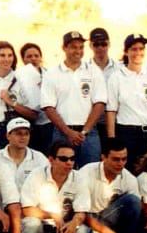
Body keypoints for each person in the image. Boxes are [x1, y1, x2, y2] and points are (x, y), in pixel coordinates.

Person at [20, 141, 104, 233]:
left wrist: (74, 223)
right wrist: (52, 215)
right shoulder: (37, 175)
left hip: (64, 226)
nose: (69, 163)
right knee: (31, 224)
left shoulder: (79, 178)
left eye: (72, 158)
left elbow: (81, 211)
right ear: (51, 160)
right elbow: (26, 209)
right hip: (42, 227)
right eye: (63, 159)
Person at [42, 31, 108, 167]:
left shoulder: (93, 71)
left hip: (88, 133)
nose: (78, 51)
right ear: (64, 48)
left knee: (91, 172)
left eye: (81, 47)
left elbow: (100, 103)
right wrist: (68, 132)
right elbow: (48, 107)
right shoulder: (52, 74)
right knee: (61, 171)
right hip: (62, 133)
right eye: (73, 47)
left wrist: (84, 131)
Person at [105, 34, 147, 168]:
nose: (138, 52)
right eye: (134, 49)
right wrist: (111, 140)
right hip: (126, 133)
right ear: (126, 52)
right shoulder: (116, 78)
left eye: (141, 49)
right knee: (127, 171)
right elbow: (111, 112)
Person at [77, 138, 143, 233]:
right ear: (103, 157)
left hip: (109, 217)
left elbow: (134, 212)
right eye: (115, 159)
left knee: (133, 201)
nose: (120, 164)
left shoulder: (129, 178)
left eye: (124, 159)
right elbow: (80, 211)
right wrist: (105, 231)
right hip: (87, 218)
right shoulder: (86, 172)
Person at [0, 41, 39, 148]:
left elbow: (33, 114)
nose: (7, 59)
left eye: (10, 55)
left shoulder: (22, 80)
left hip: (19, 131)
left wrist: (12, 103)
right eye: (2, 55)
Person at [15, 43, 53, 154]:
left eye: (36, 56)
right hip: (31, 124)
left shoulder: (49, 75)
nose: (33, 59)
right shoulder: (19, 77)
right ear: (23, 59)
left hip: (50, 123)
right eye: (29, 56)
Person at [0, 118, 50, 190]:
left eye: (26, 134)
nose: (23, 137)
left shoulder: (40, 158)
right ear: (8, 136)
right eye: (19, 134)